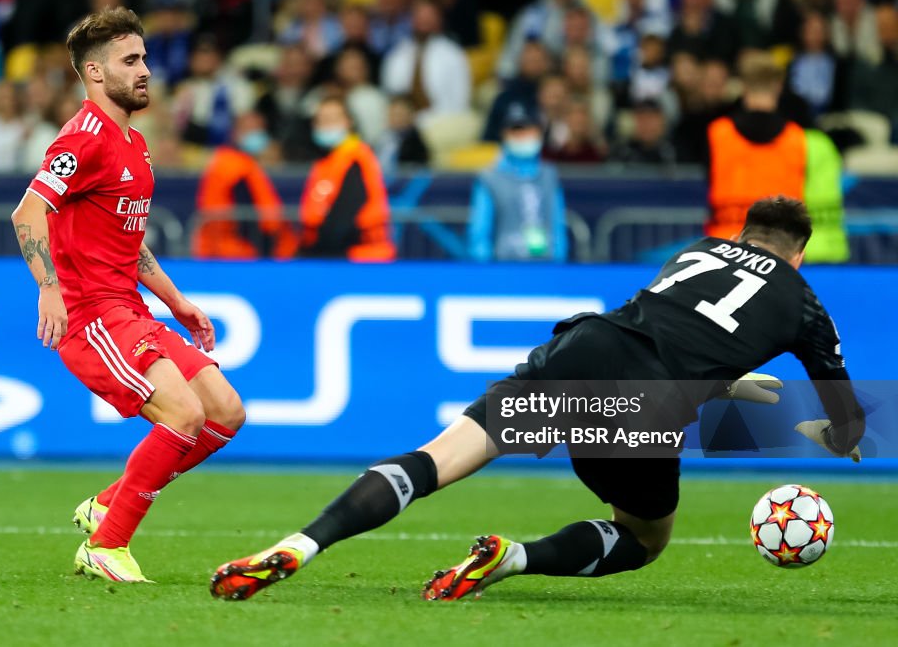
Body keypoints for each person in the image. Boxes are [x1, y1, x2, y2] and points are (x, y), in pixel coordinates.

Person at [210, 196, 864, 601]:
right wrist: (831, 434)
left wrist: (726, 380)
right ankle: (513, 557)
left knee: (436, 457)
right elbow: (848, 417)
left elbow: (675, 327)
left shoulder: (700, 250)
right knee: (643, 536)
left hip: (585, 349)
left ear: (743, 232)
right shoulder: (805, 304)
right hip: (643, 407)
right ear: (798, 253)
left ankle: (301, 543)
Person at [10, 7, 246, 583]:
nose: (145, 70)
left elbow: (129, 241)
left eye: (144, 58)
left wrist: (177, 300)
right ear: (94, 72)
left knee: (225, 412)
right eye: (130, 61)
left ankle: (109, 504)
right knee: (184, 414)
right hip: (94, 314)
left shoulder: (134, 145)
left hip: (132, 307)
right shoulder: (82, 140)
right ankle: (106, 545)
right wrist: (49, 289)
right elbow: (28, 211)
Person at [706, 52, 848, 262]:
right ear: (778, 86)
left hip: (726, 249)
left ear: (743, 86)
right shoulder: (800, 139)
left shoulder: (717, 135)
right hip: (780, 249)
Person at [297, 96, 395, 260]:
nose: (327, 125)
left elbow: (346, 212)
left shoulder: (354, 158)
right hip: (342, 254)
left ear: (348, 122)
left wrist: (317, 250)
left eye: (333, 119)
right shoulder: (329, 160)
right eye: (322, 120)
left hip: (358, 256)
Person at [468, 103, 567, 262]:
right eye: (515, 130)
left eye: (527, 128)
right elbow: (480, 233)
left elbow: (557, 227)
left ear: (539, 132)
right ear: (504, 134)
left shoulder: (549, 175)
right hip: (505, 270)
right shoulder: (490, 177)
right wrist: (485, 272)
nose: (522, 135)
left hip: (546, 268)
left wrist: (558, 266)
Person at [193, 112, 297, 259]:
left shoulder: (242, 163)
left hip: (231, 250)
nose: (254, 134)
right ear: (235, 133)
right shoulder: (234, 167)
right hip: (237, 253)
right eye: (248, 129)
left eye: (258, 129)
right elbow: (246, 216)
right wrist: (265, 250)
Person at [380, 0, 471, 116]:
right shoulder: (398, 54)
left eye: (429, 16)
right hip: (404, 123)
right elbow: (389, 93)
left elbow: (461, 100)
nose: (424, 20)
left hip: (442, 121)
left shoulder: (453, 55)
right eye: (420, 15)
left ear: (440, 20)